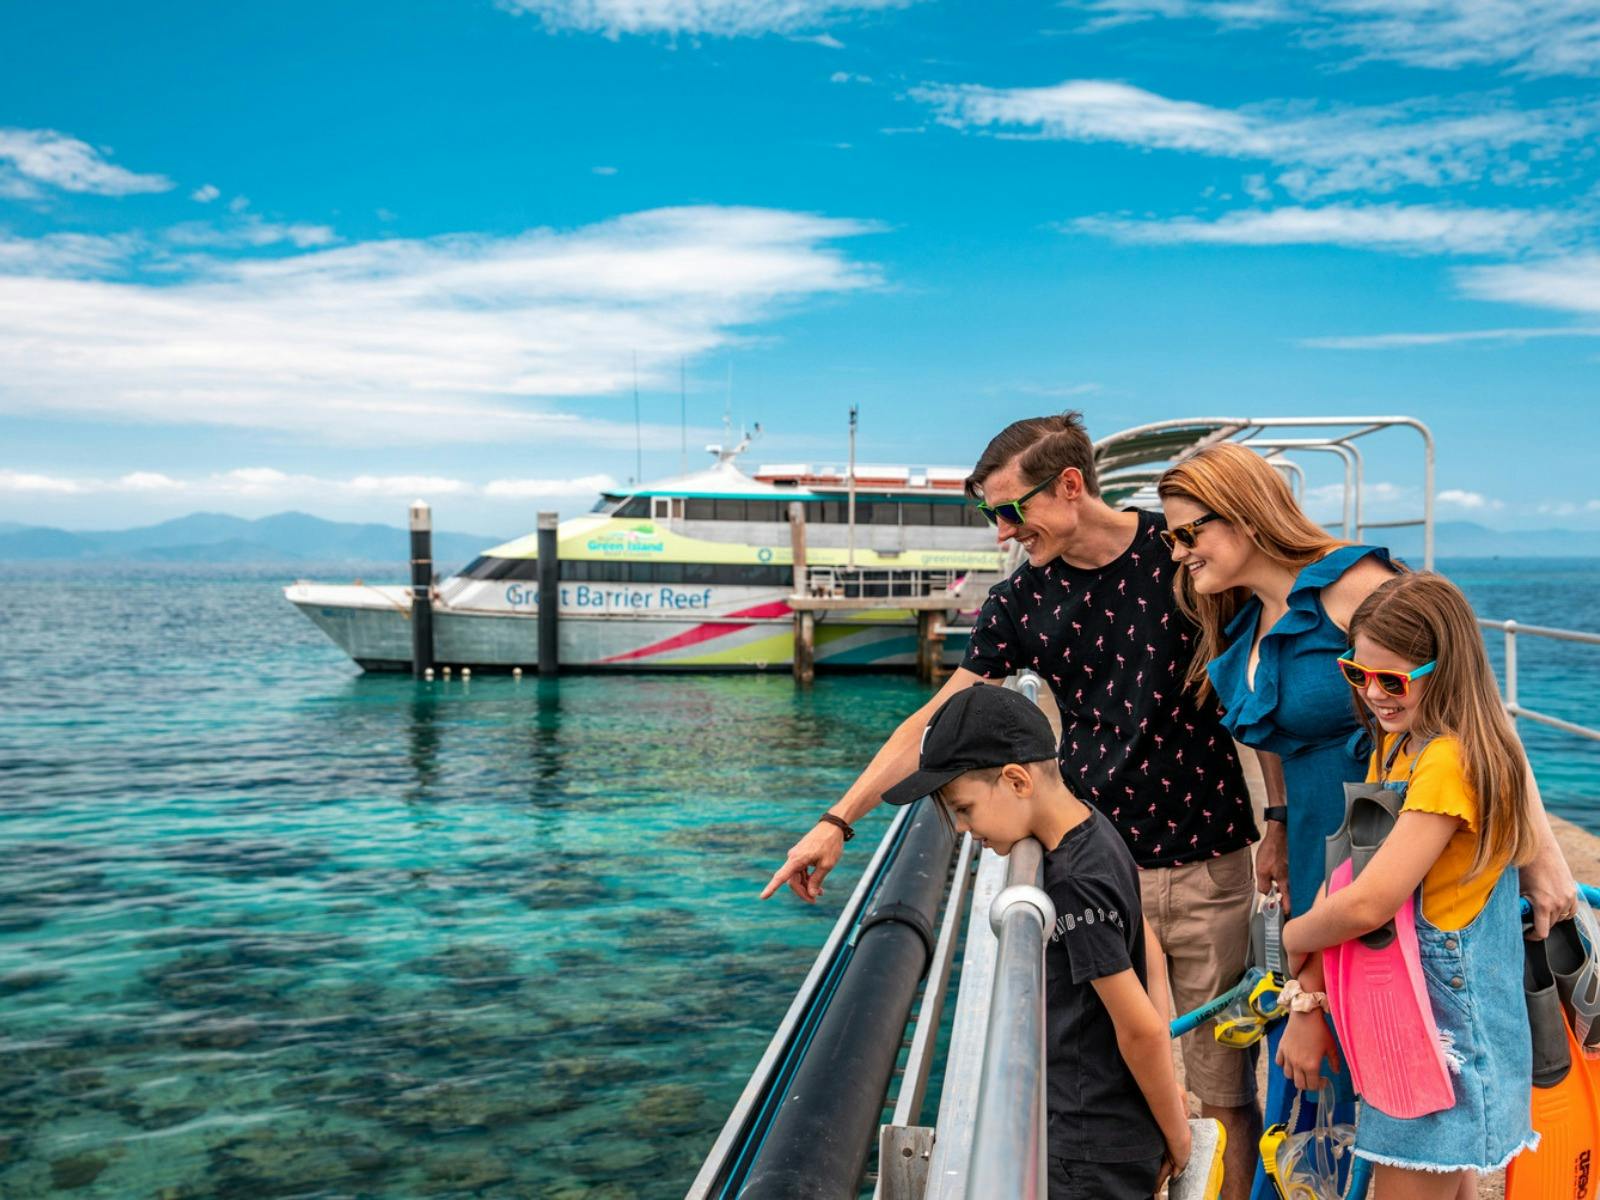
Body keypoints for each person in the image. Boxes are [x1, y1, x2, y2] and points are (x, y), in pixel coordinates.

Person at [763, 412, 1262, 1195]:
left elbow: (1279, 633)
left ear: (1069, 486)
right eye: (989, 516)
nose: (1001, 533)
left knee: (1223, 1093)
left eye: (1009, 510)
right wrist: (839, 820)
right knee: (1112, 1089)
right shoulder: (1025, 600)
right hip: (1097, 870)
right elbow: (933, 723)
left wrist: (1291, 824)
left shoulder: (1182, 550)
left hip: (1207, 865)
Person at [1158, 442, 1576, 1198]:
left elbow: (1475, 709)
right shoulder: (1243, 619)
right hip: (1343, 849)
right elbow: (1275, 741)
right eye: (1171, 538)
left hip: (1397, 871)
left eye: (1190, 533)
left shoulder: (1357, 590)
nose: (1179, 552)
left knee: (1402, 1098)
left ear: (1246, 515)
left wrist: (1541, 855)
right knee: (1347, 1086)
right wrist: (1278, 825)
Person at [879, 682, 1192, 1198]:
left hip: (1088, 1150)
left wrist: (1178, 1136)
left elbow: (1139, 1031)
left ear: (1017, 780)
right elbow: (1150, 954)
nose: (962, 829)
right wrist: (1165, 1091)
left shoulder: (1071, 883)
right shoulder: (1096, 828)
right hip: (1113, 1124)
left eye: (965, 808)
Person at [1281, 572, 1539, 1196]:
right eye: (1357, 674)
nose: (1374, 695)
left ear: (1444, 671)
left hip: (1445, 1027)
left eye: (1392, 680)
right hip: (1410, 1016)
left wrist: (1292, 935)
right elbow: (1350, 869)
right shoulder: (1398, 748)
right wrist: (1308, 990)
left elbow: (1369, 901)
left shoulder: (1448, 763)